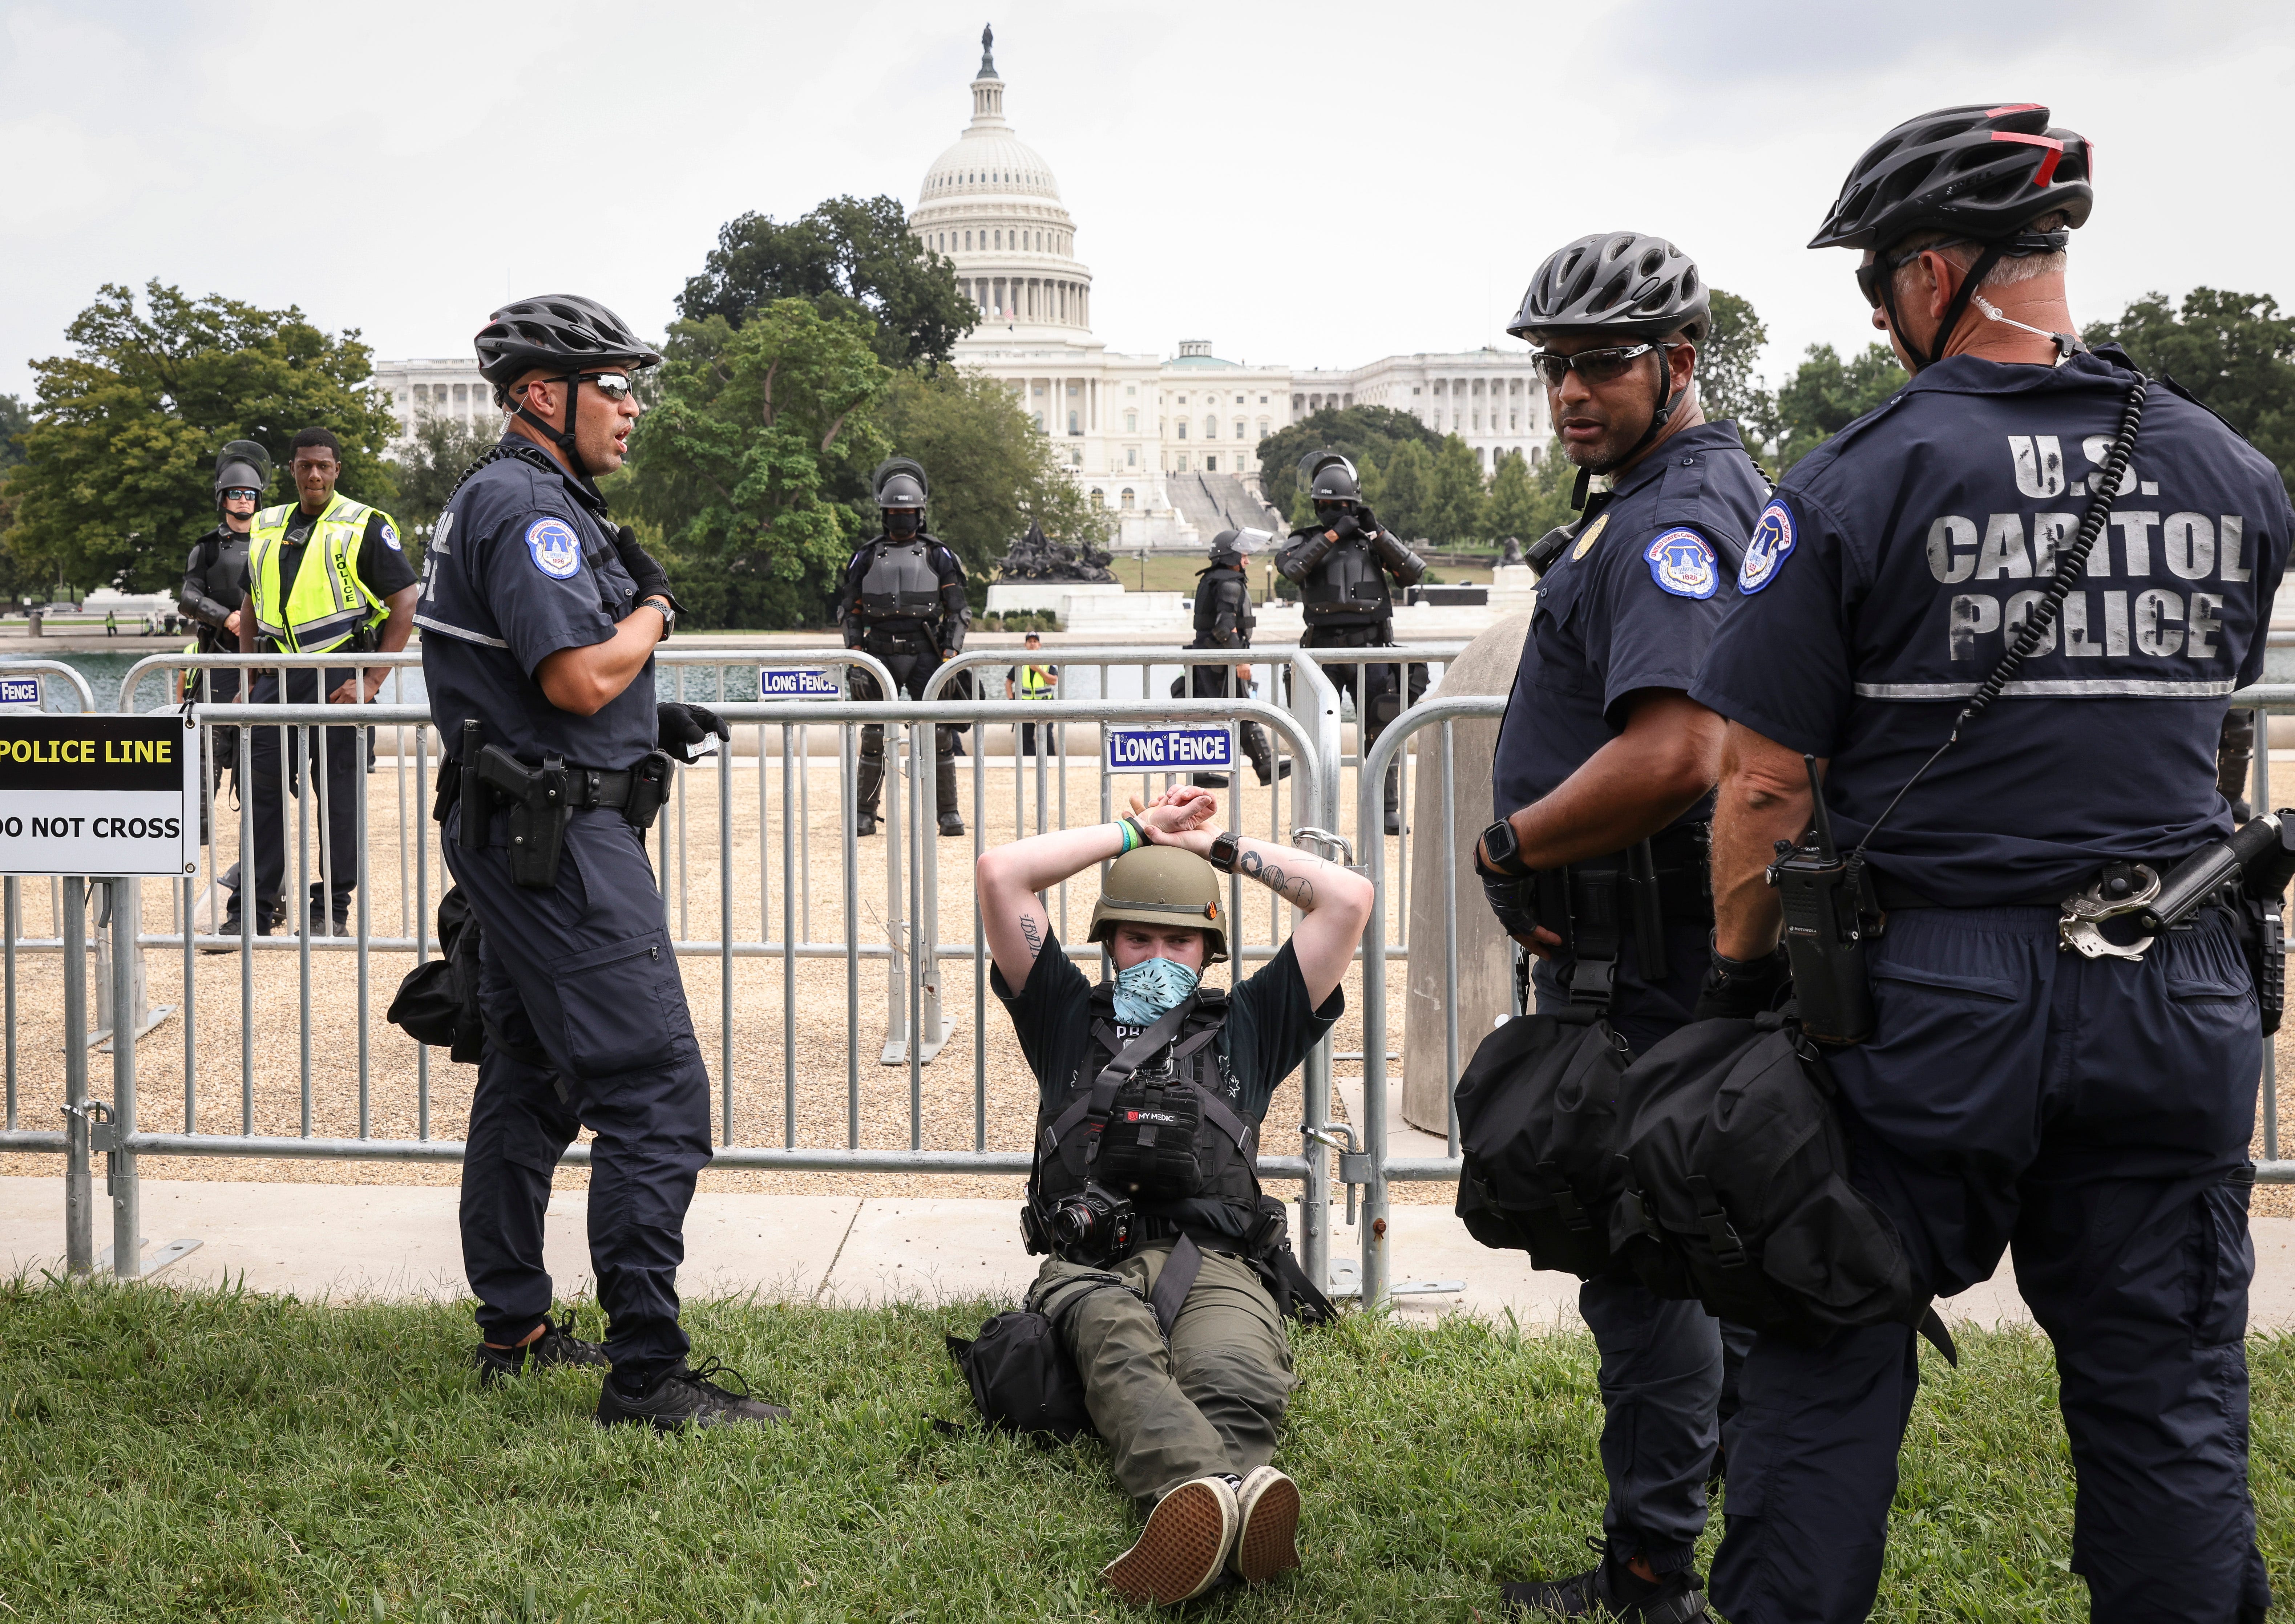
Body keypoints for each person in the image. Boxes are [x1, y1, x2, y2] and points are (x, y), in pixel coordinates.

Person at [1686, 105, 2287, 1622]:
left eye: (1877, 283)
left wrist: (1734, 979)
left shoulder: (1854, 478)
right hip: (2174, 978)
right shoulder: (2227, 470)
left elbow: (1760, 780)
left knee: (1823, 1362)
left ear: (1933, 272)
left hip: (1933, 998)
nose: (1879, 317)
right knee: (2165, 1402)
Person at [419, 292, 786, 1431]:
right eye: (614, 387)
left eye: (633, 386)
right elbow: (577, 675)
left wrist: (646, 724)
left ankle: (513, 1324)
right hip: (557, 844)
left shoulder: (521, 497)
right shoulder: (529, 507)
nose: (632, 408)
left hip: (524, 826)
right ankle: (646, 1373)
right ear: (542, 395)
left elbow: (539, 687)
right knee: (654, 1091)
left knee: (528, 1080)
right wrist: (658, 616)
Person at [1476, 232, 1769, 1622]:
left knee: (1651, 1266)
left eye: (1600, 363)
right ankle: (1659, 1551)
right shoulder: (1644, 492)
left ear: (1680, 362)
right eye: (1553, 366)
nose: (1571, 391)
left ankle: (1651, 1576)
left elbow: (1678, 751)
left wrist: (1510, 842)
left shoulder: (1672, 516)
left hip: (1653, 963)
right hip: (1631, 950)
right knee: (1657, 1261)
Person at [976, 789, 1372, 1606]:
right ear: (1108, 944)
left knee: (1233, 1367)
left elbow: (1347, 898)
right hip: (1090, 1265)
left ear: (1209, 949)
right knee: (1115, 1339)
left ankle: (1225, 1507)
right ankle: (1204, 1492)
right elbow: (1001, 873)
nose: (1158, 955)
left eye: (1180, 939)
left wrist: (1215, 846)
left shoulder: (1248, 1028)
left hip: (1218, 1259)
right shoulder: (1060, 1015)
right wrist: (1134, 833)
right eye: (1138, 936)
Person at [232, 428, 417, 939]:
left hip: (340, 675)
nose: (314, 474)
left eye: (323, 466)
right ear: (291, 469)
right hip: (278, 675)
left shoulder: (364, 524)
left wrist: (374, 680)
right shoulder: (266, 525)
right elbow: (250, 603)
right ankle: (257, 903)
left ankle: (330, 907)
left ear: (337, 470)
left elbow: (407, 601)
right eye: (305, 465)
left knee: (337, 795)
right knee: (261, 790)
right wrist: (249, 675)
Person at [1275, 456, 1427, 833]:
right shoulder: (1305, 538)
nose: (1333, 512)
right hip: (1321, 649)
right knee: (1311, 733)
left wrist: (1377, 534)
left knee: (1381, 728)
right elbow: (1292, 568)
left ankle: (1385, 807)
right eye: (1326, 506)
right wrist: (1329, 536)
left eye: (1341, 506)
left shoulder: (1371, 540)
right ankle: (1311, 812)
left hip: (1370, 648)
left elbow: (1412, 572)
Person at [839, 458, 969, 837]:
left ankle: (948, 813)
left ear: (919, 513)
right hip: (878, 651)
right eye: (894, 512)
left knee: (940, 734)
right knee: (874, 734)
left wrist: (950, 655)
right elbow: (849, 612)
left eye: (906, 512)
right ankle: (865, 813)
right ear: (883, 514)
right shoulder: (864, 556)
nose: (900, 517)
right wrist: (857, 658)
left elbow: (958, 611)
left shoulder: (938, 555)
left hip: (927, 651)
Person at [182, 440, 267, 862]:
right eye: (236, 493)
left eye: (250, 494)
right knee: (204, 762)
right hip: (218, 664)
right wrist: (226, 617)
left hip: (261, 667)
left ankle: (258, 856)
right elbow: (187, 597)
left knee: (262, 766)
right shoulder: (208, 548)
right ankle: (195, 843)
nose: (243, 500)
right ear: (222, 497)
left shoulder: (275, 543)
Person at [1180, 528, 1288, 790]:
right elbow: (1224, 626)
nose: (1247, 561)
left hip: (1206, 657)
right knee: (1242, 709)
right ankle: (1264, 765)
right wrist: (1240, 659)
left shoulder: (1211, 579)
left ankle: (1200, 770)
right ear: (1230, 555)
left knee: (1204, 712)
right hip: (1220, 660)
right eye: (1243, 555)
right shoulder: (1230, 581)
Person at [1006, 630, 1059, 757]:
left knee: (1047, 735)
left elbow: (1054, 681)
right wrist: (1011, 700)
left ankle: (1050, 761)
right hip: (1025, 706)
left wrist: (1038, 670)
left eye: (1035, 642)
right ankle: (1028, 762)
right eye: (1030, 642)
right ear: (1026, 645)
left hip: (1046, 705)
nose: (1032, 644)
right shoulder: (1021, 664)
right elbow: (1008, 682)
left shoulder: (1047, 662)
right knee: (1025, 737)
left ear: (1040, 645)